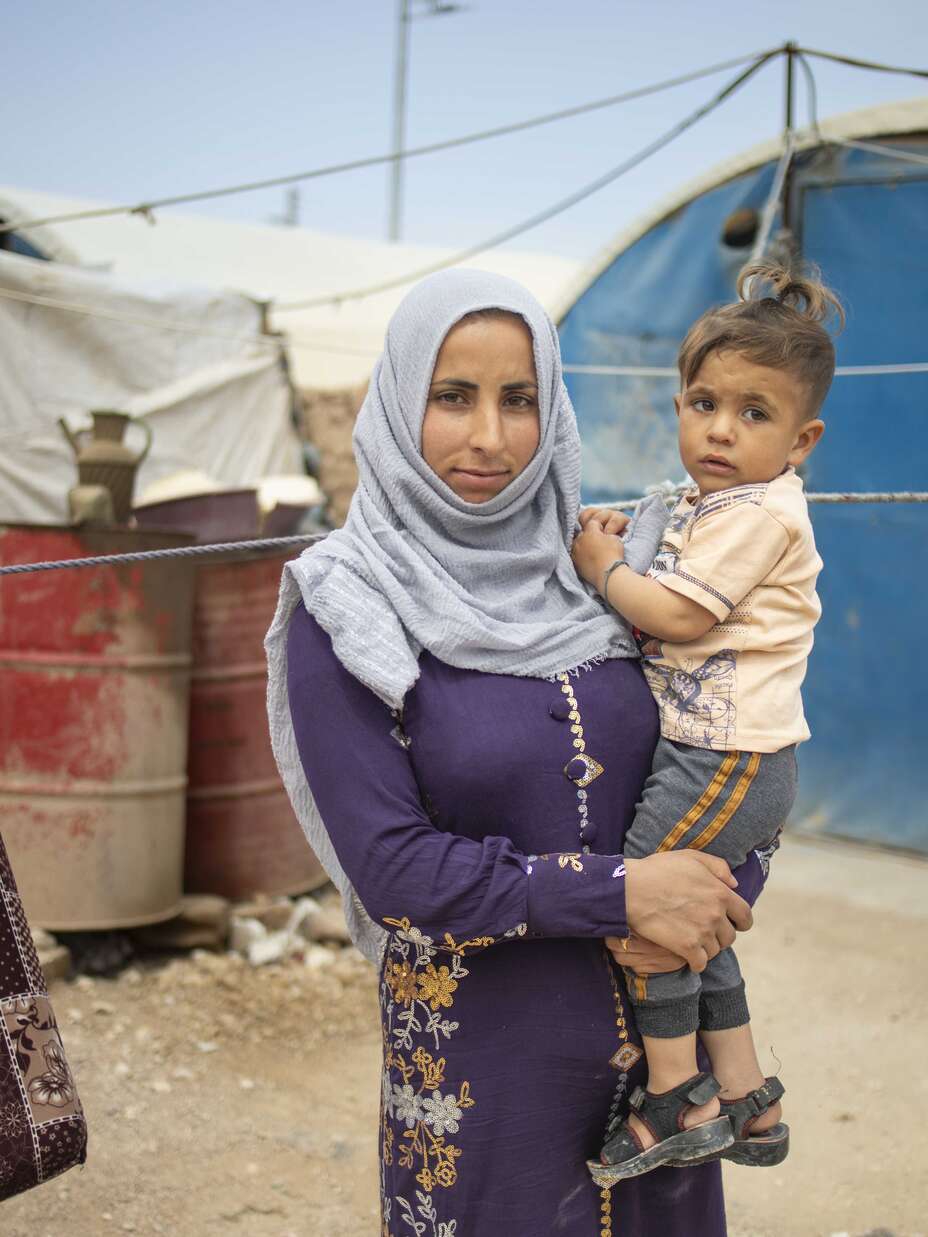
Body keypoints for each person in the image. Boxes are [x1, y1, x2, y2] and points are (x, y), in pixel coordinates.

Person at [266, 268, 766, 1237]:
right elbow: (394, 871)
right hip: (480, 1079)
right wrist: (626, 892)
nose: (489, 438)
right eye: (452, 397)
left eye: (519, 399)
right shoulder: (347, 603)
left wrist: (712, 892)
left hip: (663, 1076)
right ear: (400, 399)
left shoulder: (615, 579)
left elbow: (735, 750)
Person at [571, 262, 843, 1184]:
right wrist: (624, 536)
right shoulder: (708, 502)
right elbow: (664, 561)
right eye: (703, 402)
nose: (721, 429)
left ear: (801, 439)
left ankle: (676, 1097)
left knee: (641, 911)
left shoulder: (764, 512)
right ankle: (747, 1091)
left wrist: (599, 566)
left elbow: (678, 615)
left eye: (755, 413)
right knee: (698, 926)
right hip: (722, 755)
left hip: (726, 755)